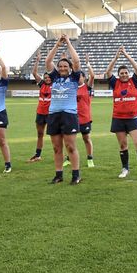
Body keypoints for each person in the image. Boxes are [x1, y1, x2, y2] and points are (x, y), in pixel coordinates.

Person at [105, 46, 137, 179]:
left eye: (126, 72)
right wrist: (116, 57)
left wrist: (126, 55)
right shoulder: (115, 83)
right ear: (118, 75)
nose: (124, 75)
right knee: (123, 145)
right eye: (121, 73)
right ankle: (125, 168)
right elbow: (108, 71)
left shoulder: (134, 81)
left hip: (133, 118)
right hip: (118, 119)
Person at [44, 35, 83, 185]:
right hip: (54, 114)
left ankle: (76, 175)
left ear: (70, 68)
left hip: (69, 115)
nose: (62, 68)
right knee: (56, 147)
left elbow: (77, 61)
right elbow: (48, 62)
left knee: (70, 146)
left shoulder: (74, 77)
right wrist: (57, 45)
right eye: (60, 66)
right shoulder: (54, 77)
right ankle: (58, 174)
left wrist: (67, 42)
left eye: (65, 66)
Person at [28, 51, 52, 163]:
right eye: (46, 77)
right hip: (40, 113)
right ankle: (38, 155)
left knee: (55, 135)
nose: (47, 79)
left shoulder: (55, 84)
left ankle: (63, 155)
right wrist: (37, 61)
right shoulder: (42, 84)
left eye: (49, 77)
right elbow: (34, 73)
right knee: (40, 134)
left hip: (51, 113)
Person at [76, 54, 96, 168]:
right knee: (70, 139)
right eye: (77, 76)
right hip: (72, 117)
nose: (79, 78)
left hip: (84, 118)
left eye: (80, 76)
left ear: (83, 78)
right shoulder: (72, 87)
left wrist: (88, 64)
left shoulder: (86, 88)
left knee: (86, 138)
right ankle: (68, 158)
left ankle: (90, 159)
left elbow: (92, 76)